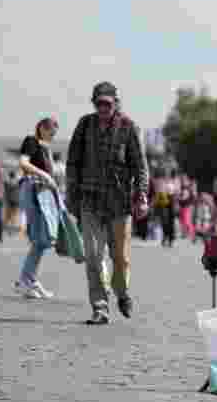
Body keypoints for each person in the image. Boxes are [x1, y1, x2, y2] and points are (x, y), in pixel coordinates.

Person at [66, 82, 149, 326]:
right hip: (89, 200)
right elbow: (72, 161)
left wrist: (142, 195)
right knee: (93, 256)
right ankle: (100, 307)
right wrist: (71, 193)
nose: (102, 107)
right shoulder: (84, 125)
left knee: (120, 258)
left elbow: (140, 167)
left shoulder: (128, 128)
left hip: (120, 203)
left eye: (107, 103)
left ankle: (122, 293)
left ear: (116, 103)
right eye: (98, 103)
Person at [14, 118, 61, 299]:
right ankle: (26, 280)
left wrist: (47, 151)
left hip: (44, 194)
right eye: (50, 133)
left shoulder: (44, 147)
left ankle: (29, 278)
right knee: (40, 239)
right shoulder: (31, 141)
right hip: (34, 191)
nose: (52, 137)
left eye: (54, 135)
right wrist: (43, 174)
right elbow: (24, 163)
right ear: (41, 128)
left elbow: (52, 174)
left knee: (44, 239)